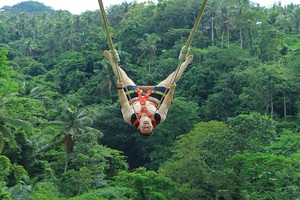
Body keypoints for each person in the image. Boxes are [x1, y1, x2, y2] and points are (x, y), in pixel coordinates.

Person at [104, 50, 193, 136]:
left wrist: (120, 87)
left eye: (144, 128)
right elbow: (166, 103)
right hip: (154, 99)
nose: (146, 126)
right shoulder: (159, 118)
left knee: (124, 79)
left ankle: (112, 61)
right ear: (152, 127)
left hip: (134, 98)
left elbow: (123, 102)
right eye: (148, 128)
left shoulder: (129, 117)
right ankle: (184, 64)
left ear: (139, 127)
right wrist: (172, 89)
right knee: (170, 81)